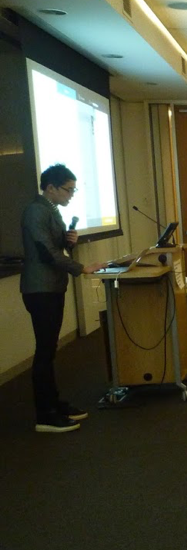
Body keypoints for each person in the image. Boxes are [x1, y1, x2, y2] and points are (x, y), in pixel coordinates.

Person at [21, 164, 107, 433]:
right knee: (44, 352)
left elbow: (56, 247)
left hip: (52, 287)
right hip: (40, 290)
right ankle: (45, 415)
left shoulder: (51, 210)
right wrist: (81, 268)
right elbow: (46, 253)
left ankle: (54, 403)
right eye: (68, 190)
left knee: (49, 351)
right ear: (50, 188)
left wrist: (69, 241)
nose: (71, 194)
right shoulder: (36, 211)